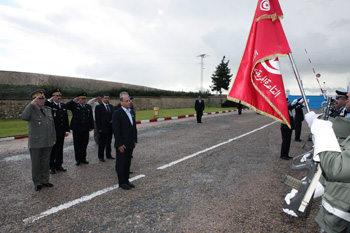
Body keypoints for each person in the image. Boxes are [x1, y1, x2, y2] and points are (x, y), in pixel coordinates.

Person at [21, 90, 56, 191]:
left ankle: (45, 180)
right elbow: (24, 117)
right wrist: (31, 104)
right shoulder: (31, 109)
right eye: (39, 98)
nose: (42, 100)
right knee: (36, 163)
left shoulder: (47, 109)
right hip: (36, 142)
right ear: (34, 100)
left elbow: (52, 125)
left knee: (45, 162)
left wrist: (54, 138)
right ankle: (37, 182)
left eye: (43, 98)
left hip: (48, 141)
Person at [112, 92, 137, 190]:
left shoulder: (131, 112)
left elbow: (133, 127)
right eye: (126, 101)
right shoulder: (117, 113)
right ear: (121, 102)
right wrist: (120, 144)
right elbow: (116, 131)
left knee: (127, 163)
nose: (129, 102)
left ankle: (126, 180)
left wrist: (135, 140)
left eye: (129, 100)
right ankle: (121, 182)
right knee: (121, 163)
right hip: (122, 144)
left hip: (130, 142)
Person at [45, 89, 70, 174]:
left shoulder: (63, 106)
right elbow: (44, 104)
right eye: (57, 96)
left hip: (61, 132)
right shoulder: (49, 105)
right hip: (53, 132)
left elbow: (66, 119)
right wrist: (49, 100)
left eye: (60, 96)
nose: (59, 97)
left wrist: (67, 130)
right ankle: (51, 166)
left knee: (60, 149)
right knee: (52, 150)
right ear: (53, 97)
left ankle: (59, 165)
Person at [66, 93, 94, 166]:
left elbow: (90, 117)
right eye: (82, 98)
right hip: (77, 129)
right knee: (77, 144)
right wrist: (73, 101)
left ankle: (83, 158)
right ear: (79, 99)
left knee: (84, 144)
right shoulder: (75, 106)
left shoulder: (88, 106)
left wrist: (91, 126)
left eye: (85, 99)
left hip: (85, 128)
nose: (84, 100)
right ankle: (78, 159)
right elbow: (66, 106)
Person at [95, 94, 114, 162]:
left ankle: (108, 155)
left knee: (109, 142)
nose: (107, 99)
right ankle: (101, 156)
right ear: (103, 99)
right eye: (105, 98)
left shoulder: (111, 107)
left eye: (108, 98)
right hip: (102, 128)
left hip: (110, 127)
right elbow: (97, 119)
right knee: (102, 143)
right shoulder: (98, 107)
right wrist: (99, 128)